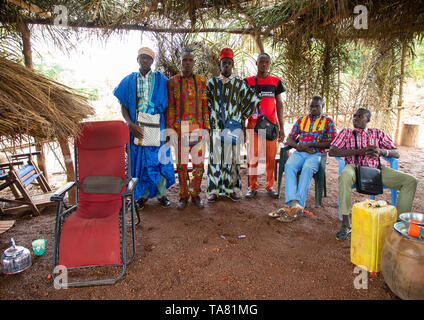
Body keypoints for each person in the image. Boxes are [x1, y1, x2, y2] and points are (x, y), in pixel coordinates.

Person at [329, 108, 418, 240]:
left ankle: (399, 225)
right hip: (354, 167)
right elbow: (333, 151)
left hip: (376, 169)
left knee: (410, 181)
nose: (356, 118)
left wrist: (381, 151)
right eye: (354, 116)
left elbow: (396, 153)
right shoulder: (346, 133)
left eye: (360, 116)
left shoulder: (377, 133)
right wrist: (359, 151)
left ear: (368, 120)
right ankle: (346, 223)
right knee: (345, 175)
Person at [113, 47, 175, 210]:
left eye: (148, 58)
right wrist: (130, 124)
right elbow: (123, 105)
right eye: (142, 57)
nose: (145, 61)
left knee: (159, 160)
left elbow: (168, 107)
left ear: (152, 61)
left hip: (158, 126)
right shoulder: (129, 80)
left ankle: (162, 195)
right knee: (139, 163)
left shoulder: (161, 80)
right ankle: (141, 197)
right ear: (137, 59)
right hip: (137, 127)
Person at [270, 96, 337, 222]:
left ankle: (298, 208)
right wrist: (298, 146)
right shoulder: (302, 120)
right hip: (300, 152)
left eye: (317, 106)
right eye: (311, 106)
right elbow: (289, 139)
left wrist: (311, 145)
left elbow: (332, 143)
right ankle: (292, 203)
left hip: (316, 154)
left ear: (322, 107)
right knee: (289, 166)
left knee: (307, 169)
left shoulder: (328, 122)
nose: (313, 109)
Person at [206, 48, 260, 202]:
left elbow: (253, 100)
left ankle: (233, 189)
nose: (227, 66)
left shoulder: (239, 84)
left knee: (233, 158)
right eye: (224, 63)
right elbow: (205, 103)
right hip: (216, 126)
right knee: (215, 157)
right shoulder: (211, 83)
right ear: (220, 64)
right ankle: (214, 190)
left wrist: (242, 117)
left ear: (232, 65)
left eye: (229, 63)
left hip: (233, 126)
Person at [166, 48, 210, 210]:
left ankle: (195, 194)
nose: (187, 63)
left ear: (194, 63)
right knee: (182, 166)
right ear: (181, 62)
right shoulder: (173, 82)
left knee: (198, 165)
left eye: (190, 60)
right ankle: (183, 196)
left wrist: (207, 128)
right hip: (180, 130)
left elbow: (205, 105)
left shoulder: (201, 81)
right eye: (185, 60)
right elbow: (170, 107)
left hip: (198, 129)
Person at [245, 53, 286, 199]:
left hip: (271, 127)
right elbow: (243, 105)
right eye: (261, 62)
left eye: (267, 62)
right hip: (254, 126)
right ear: (256, 64)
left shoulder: (275, 81)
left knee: (270, 158)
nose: (264, 65)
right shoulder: (248, 82)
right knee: (253, 157)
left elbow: (279, 104)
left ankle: (270, 186)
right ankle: (252, 187)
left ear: (269, 64)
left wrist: (282, 126)